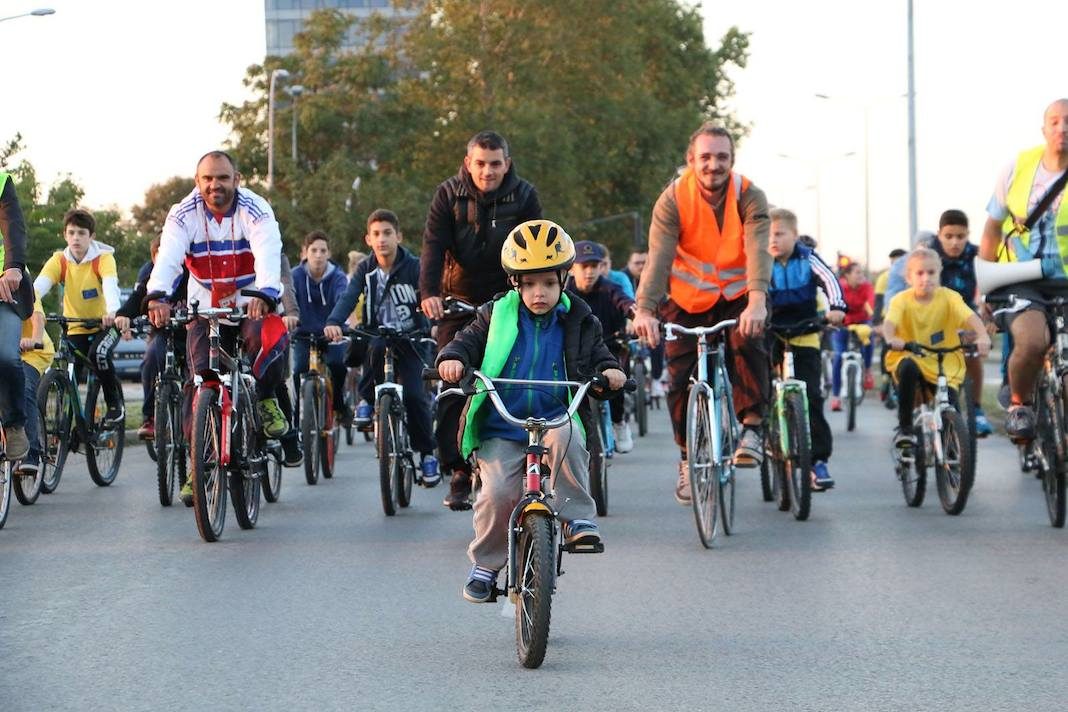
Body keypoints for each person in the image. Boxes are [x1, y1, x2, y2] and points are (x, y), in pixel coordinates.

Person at [436, 219, 624, 603]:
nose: (540, 293)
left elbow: (599, 355)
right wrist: (453, 359)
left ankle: (577, 520)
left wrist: (610, 371)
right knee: (497, 493)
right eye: (531, 284)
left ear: (563, 281)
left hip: (555, 415)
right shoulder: (495, 315)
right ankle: (486, 565)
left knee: (568, 438)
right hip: (501, 423)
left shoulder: (578, 317)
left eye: (550, 284)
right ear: (515, 284)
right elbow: (466, 342)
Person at [632, 122, 772, 505]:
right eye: (706, 157)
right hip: (687, 297)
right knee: (678, 377)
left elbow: (759, 247)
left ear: (732, 160)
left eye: (722, 157)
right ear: (691, 160)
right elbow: (658, 257)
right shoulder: (673, 199)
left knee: (748, 341)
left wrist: (757, 299)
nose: (714, 165)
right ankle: (685, 457)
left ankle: (752, 429)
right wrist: (645, 309)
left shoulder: (749, 195)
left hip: (740, 293)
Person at [420, 130, 542, 510]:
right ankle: (457, 469)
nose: (487, 171)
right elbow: (433, 245)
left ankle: (529, 458)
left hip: (509, 298)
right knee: (452, 381)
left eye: (495, 164)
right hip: (458, 300)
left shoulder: (524, 195)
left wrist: (530, 293)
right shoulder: (448, 194)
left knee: (519, 375)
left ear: (507, 163)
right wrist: (429, 294)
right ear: (468, 162)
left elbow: (535, 244)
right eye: (480, 164)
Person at [145, 151, 289, 441]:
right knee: (198, 378)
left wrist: (265, 292)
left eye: (223, 177)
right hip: (205, 301)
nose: (215, 185)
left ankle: (265, 400)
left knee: (266, 343)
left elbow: (268, 251)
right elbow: (169, 255)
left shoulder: (256, 208)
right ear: (197, 181)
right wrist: (157, 296)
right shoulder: (183, 213)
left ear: (236, 179)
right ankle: (198, 463)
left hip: (250, 298)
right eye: (208, 178)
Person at [326, 209, 439, 485]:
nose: (382, 239)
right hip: (378, 334)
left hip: (411, 338)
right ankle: (366, 400)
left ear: (398, 236)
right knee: (373, 347)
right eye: (376, 234)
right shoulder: (366, 269)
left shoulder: (414, 266)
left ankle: (426, 455)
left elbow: (428, 295)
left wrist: (433, 322)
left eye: (388, 233)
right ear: (368, 239)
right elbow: (350, 296)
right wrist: (334, 322)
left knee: (414, 396)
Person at [979, 99, 1068, 441]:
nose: (1063, 128)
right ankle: (1020, 405)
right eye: (1055, 121)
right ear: (1044, 129)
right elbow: (991, 230)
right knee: (1032, 341)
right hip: (1023, 276)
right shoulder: (1019, 167)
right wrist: (985, 287)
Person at [766, 208, 847, 490]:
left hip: (806, 331)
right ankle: (765, 434)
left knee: (812, 396)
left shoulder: (808, 258)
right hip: (770, 331)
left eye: (779, 233)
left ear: (795, 236)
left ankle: (817, 462)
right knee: (761, 386)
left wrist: (836, 308)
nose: (773, 239)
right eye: (768, 234)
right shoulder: (760, 262)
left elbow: (830, 281)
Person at [885, 247, 991, 450]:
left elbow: (968, 316)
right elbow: (891, 322)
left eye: (931, 273)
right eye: (920, 273)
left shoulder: (949, 297)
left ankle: (953, 451)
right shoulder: (901, 300)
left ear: (939, 274)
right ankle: (905, 428)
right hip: (911, 354)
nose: (926, 278)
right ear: (909, 278)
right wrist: (891, 337)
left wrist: (982, 335)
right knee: (907, 367)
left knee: (951, 405)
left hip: (945, 360)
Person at [34, 208, 124, 425]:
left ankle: (114, 406)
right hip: (75, 328)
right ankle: (69, 425)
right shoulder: (60, 261)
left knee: (99, 355)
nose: (76, 238)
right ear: (65, 235)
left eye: (82, 233)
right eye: (71, 232)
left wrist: (113, 312)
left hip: (104, 326)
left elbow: (111, 286)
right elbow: (37, 289)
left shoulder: (102, 259)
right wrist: (28, 306)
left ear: (91, 236)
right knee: (68, 370)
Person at [567, 240, 637, 453]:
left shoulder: (610, 289)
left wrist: (636, 318)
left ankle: (619, 423)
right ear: (571, 268)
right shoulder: (564, 292)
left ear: (601, 267)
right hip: (576, 350)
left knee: (617, 380)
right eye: (584, 266)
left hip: (610, 345)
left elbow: (626, 303)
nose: (589, 272)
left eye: (594, 266)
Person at [930, 209, 993, 437]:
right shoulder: (929, 256)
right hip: (933, 315)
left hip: (966, 314)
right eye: (948, 236)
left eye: (961, 236)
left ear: (968, 234)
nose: (955, 242)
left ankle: (975, 409)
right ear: (939, 234)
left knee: (971, 353)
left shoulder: (977, 256)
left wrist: (986, 319)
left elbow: (987, 290)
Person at [291, 230, 350, 424]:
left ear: (329, 253)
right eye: (313, 250)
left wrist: (338, 323)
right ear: (304, 252)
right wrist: (287, 316)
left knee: (338, 365)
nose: (318, 255)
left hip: (332, 333)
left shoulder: (338, 277)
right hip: (304, 334)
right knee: (299, 369)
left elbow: (343, 298)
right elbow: (287, 299)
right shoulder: (295, 275)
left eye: (323, 250)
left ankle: (339, 403)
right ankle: (299, 418)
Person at [0, 171, 33, 460]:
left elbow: (13, 227)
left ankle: (14, 425)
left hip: (5, 291)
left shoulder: (1, 181)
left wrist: (13, 267)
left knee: (6, 357)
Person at [15, 291, 56, 474]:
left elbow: (36, 316)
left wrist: (35, 339)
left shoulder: (20, 281)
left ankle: (32, 453)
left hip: (32, 351)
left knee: (24, 387)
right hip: (6, 350)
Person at [829, 262, 874, 411]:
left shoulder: (866, 286)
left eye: (862, 272)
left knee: (869, 338)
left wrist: (874, 317)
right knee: (839, 356)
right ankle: (835, 397)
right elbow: (834, 302)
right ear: (847, 275)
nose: (861, 275)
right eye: (857, 272)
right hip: (843, 322)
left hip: (862, 320)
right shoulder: (840, 286)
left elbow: (871, 303)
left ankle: (867, 370)